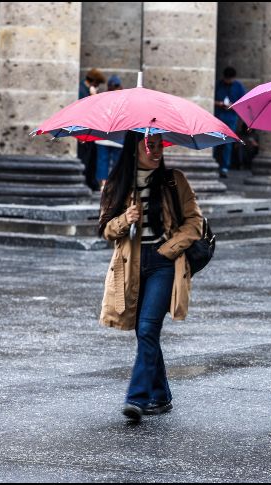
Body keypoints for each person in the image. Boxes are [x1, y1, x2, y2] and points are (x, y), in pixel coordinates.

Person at [98, 132, 203, 423]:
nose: (156, 152)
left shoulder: (174, 180)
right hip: (129, 265)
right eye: (150, 146)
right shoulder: (118, 185)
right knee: (143, 332)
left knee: (147, 329)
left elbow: (195, 223)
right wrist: (125, 219)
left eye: (159, 146)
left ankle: (137, 397)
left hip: (162, 264)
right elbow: (106, 230)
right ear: (135, 149)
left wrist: (168, 250)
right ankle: (162, 395)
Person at [213, 66, 247, 178]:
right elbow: (210, 99)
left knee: (227, 143)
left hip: (231, 118)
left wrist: (232, 106)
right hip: (217, 116)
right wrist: (220, 104)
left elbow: (243, 102)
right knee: (214, 141)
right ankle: (213, 163)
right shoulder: (218, 84)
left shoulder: (238, 87)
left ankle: (224, 167)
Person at [78, 69, 108, 191]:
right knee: (85, 158)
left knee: (91, 158)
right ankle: (86, 183)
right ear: (93, 82)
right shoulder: (82, 90)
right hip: (83, 132)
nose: (97, 86)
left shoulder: (87, 89)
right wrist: (93, 97)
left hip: (90, 132)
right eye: (97, 84)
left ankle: (91, 183)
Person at [94, 75, 125, 190]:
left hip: (102, 137)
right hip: (118, 137)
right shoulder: (123, 101)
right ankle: (114, 186)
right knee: (117, 163)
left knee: (102, 162)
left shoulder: (102, 98)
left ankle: (104, 186)